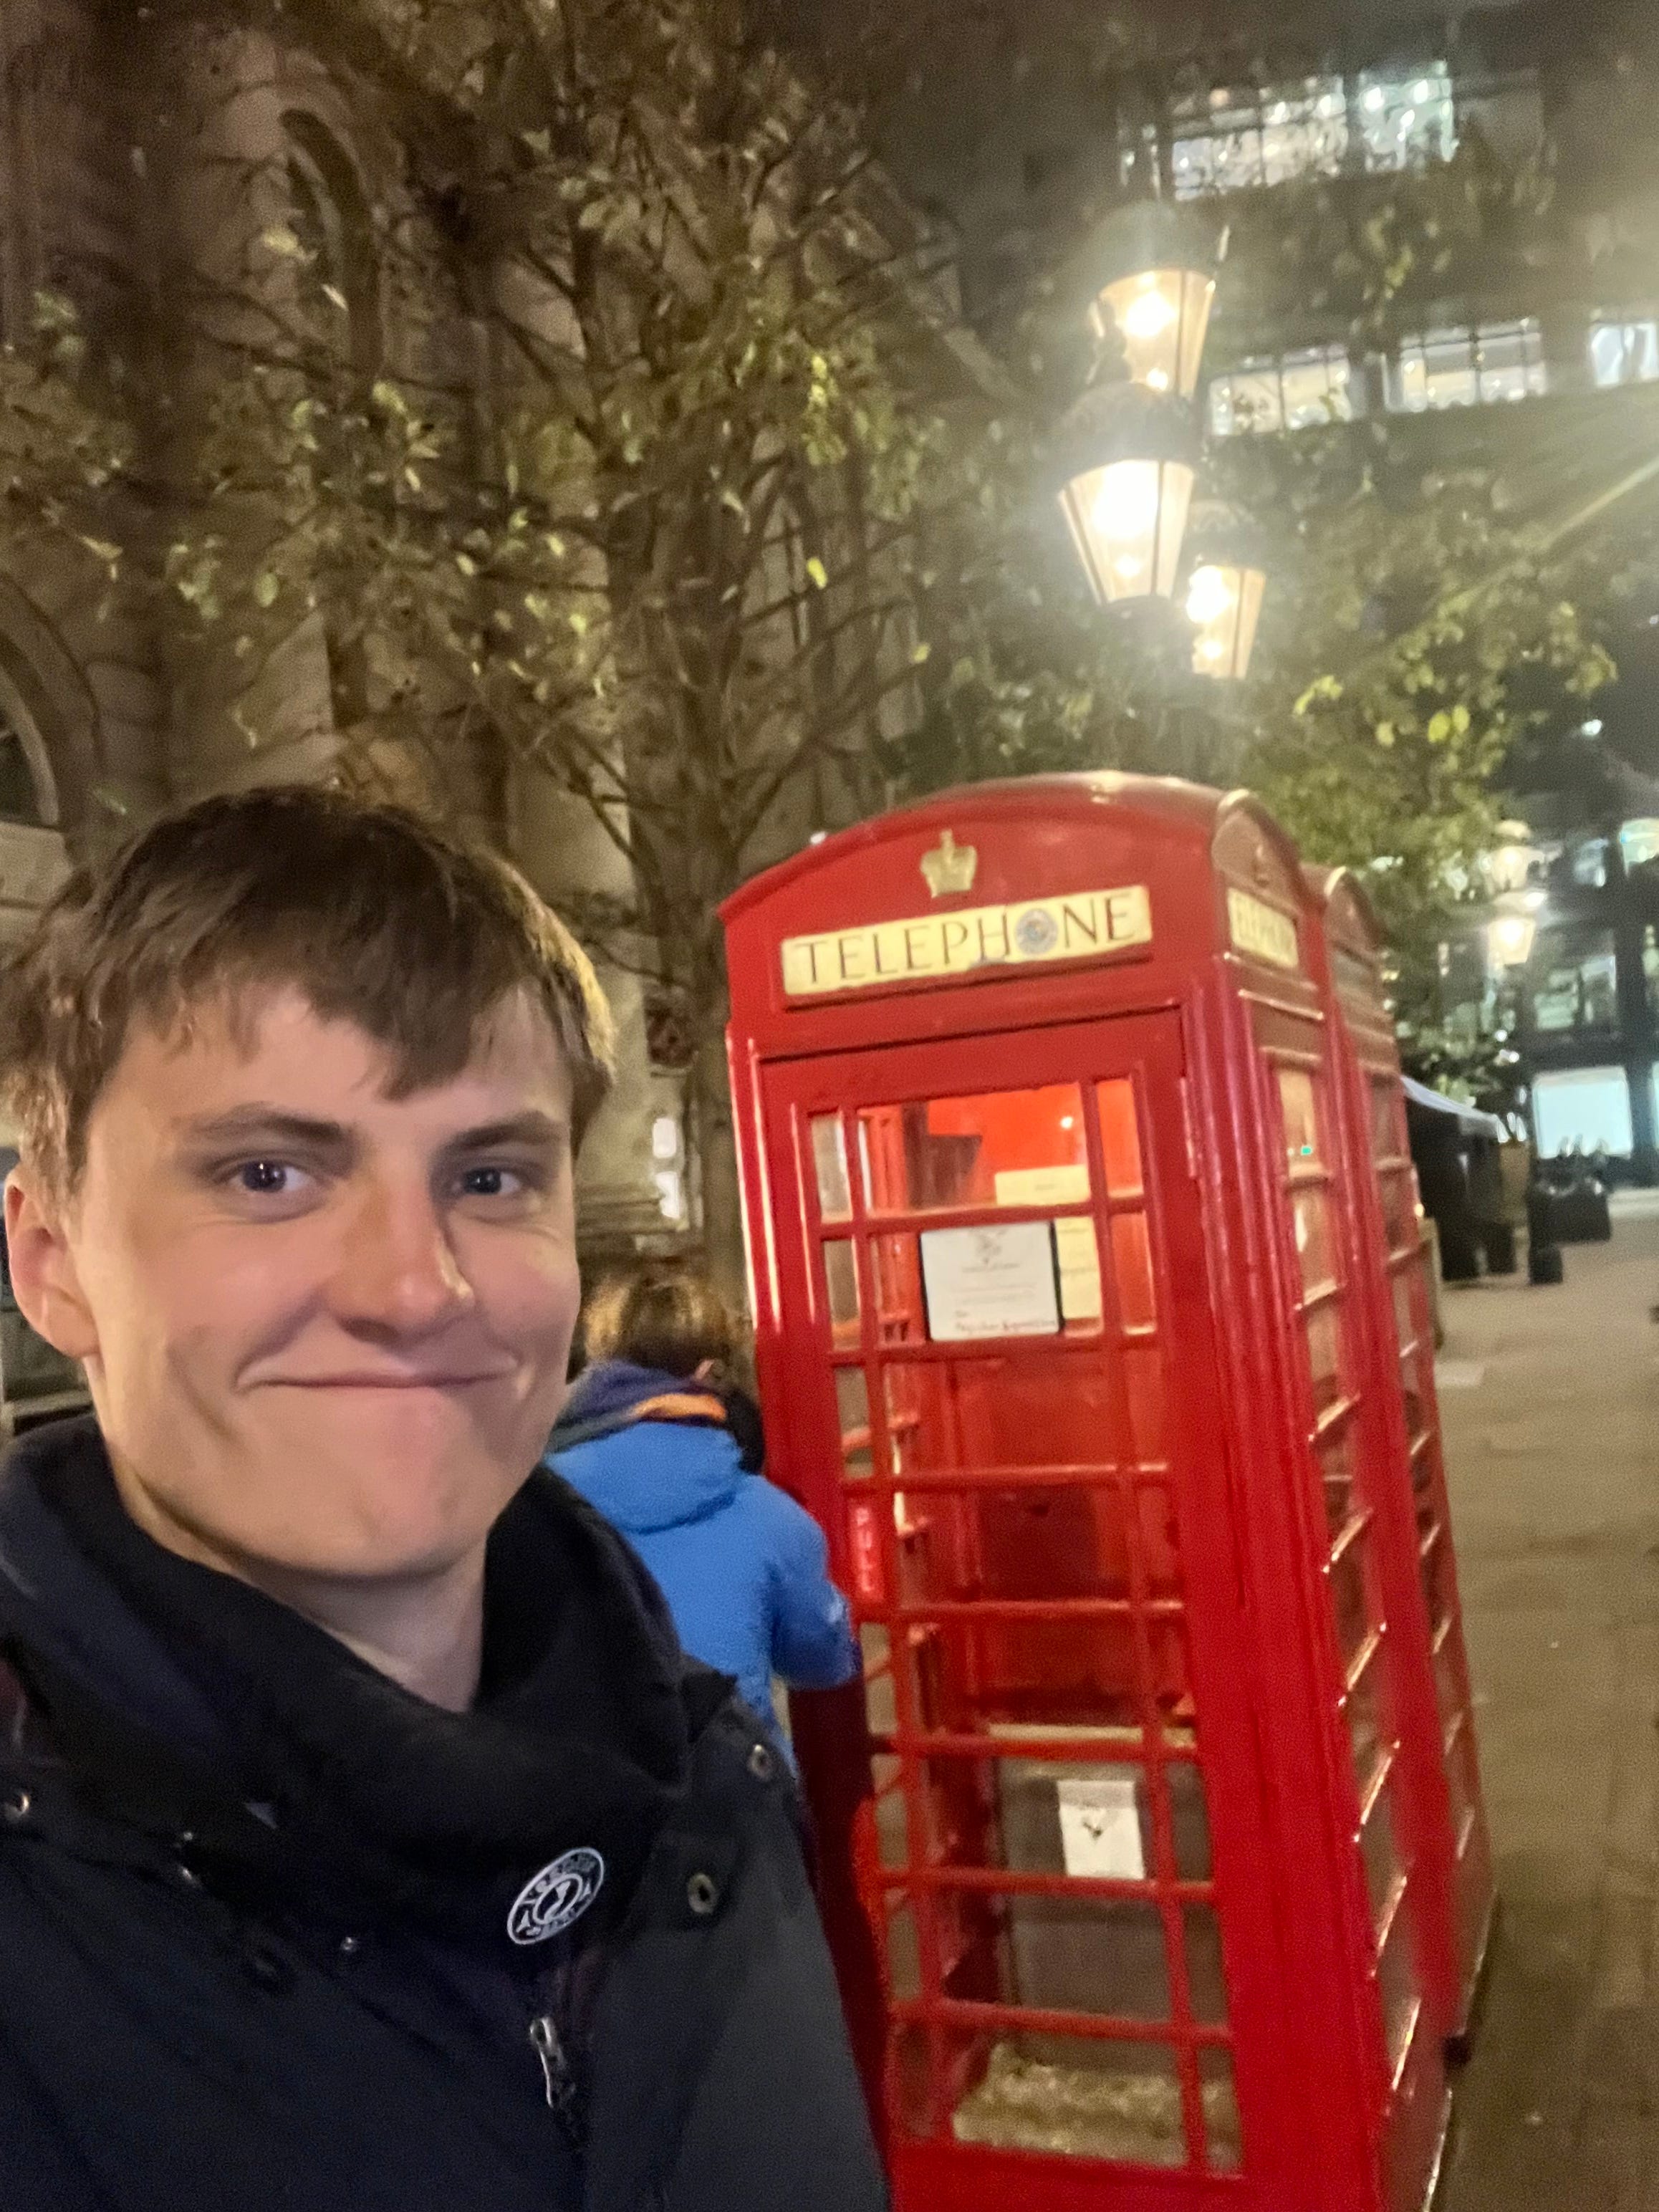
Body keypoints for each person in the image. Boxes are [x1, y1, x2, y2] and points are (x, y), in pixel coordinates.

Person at [0, 788, 885, 2212]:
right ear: (51, 1260)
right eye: (269, 1173)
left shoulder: (708, 1787)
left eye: (489, 1173)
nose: (417, 1286)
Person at [549, 1269, 859, 1762]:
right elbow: (824, 1664)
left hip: (577, 1791)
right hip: (727, 1794)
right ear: (708, 1372)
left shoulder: (525, 1504)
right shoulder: (769, 1518)